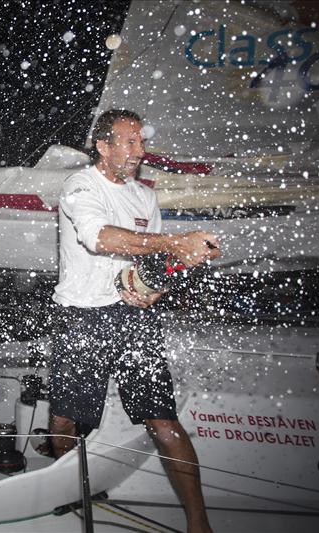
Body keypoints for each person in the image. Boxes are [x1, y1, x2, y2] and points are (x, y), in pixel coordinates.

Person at [48, 109, 219, 533]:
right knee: (66, 419)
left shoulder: (145, 196)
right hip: (81, 316)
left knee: (163, 419)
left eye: (141, 141)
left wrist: (155, 287)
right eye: (128, 142)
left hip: (134, 317)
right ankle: (67, 486)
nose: (139, 151)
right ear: (102, 146)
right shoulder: (80, 185)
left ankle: (199, 523)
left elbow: (156, 260)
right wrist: (176, 242)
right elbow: (99, 237)